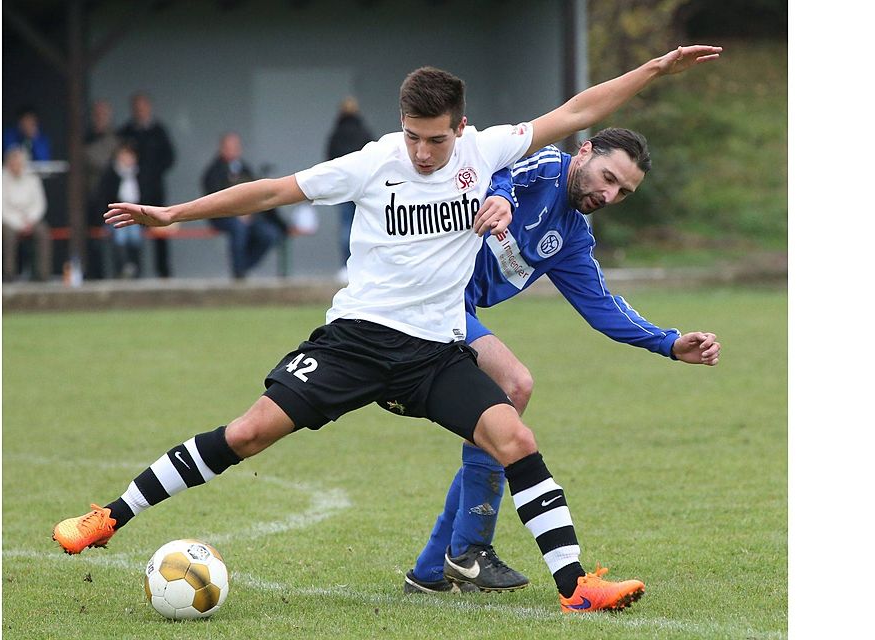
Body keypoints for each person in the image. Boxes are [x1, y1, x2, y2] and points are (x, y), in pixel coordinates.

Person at [55, 45, 721, 614]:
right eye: (414, 136)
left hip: (434, 354)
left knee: (514, 434)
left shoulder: (488, 152)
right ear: (401, 126)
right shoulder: (373, 162)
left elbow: (581, 112)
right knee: (248, 433)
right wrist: (173, 213)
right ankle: (109, 517)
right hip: (357, 341)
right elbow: (269, 192)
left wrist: (656, 69)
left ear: (461, 128)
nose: (424, 152)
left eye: (437, 139)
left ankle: (576, 586)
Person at [403, 128, 722, 596]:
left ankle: (435, 569)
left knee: (499, 420)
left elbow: (601, 305)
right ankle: (468, 550)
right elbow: (499, 166)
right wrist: (503, 198)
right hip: (420, 296)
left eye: (622, 192)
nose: (609, 195)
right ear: (585, 152)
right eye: (608, 177)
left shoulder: (572, 235)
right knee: (514, 387)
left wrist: (669, 343)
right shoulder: (547, 167)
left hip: (452, 310)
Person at [201, 132, 288, 279]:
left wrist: (251, 213)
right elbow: (215, 199)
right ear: (222, 148)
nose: (234, 150)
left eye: (236, 146)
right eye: (230, 147)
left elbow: (255, 193)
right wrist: (236, 213)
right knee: (239, 229)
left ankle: (245, 265)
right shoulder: (213, 171)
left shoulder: (245, 168)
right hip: (224, 217)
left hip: (249, 215)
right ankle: (238, 274)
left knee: (270, 234)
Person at [117, 92, 175, 278]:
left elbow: (170, 157)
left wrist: (153, 172)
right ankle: (134, 272)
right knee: (133, 231)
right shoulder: (126, 132)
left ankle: (163, 272)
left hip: (155, 190)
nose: (140, 111)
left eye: (143, 107)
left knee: (161, 228)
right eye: (137, 107)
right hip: (135, 191)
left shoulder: (159, 131)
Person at [326, 96, 374, 282]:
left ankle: (345, 267)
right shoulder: (364, 132)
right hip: (364, 188)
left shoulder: (335, 134)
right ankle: (363, 266)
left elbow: (330, 161)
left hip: (344, 188)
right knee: (366, 226)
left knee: (346, 227)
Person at [84, 99, 122, 279]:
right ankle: (95, 275)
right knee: (94, 238)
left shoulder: (116, 139)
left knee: (120, 235)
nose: (100, 118)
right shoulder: (85, 137)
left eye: (103, 114)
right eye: (97, 114)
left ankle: (120, 274)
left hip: (112, 197)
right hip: (92, 197)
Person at [2, 146, 52, 282]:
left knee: (43, 231)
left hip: (30, 220)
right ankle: (8, 275)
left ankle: (42, 276)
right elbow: (2, 208)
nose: (16, 165)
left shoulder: (32, 179)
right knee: (7, 234)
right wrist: (19, 223)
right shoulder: (1, 179)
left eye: (19, 162)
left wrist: (30, 220)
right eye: (13, 162)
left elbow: (40, 203)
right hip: (9, 221)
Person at [96, 142, 145, 278]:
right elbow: (103, 198)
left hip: (137, 215)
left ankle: (135, 269)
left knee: (135, 236)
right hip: (117, 214)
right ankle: (122, 269)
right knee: (120, 236)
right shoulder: (110, 174)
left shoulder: (140, 174)